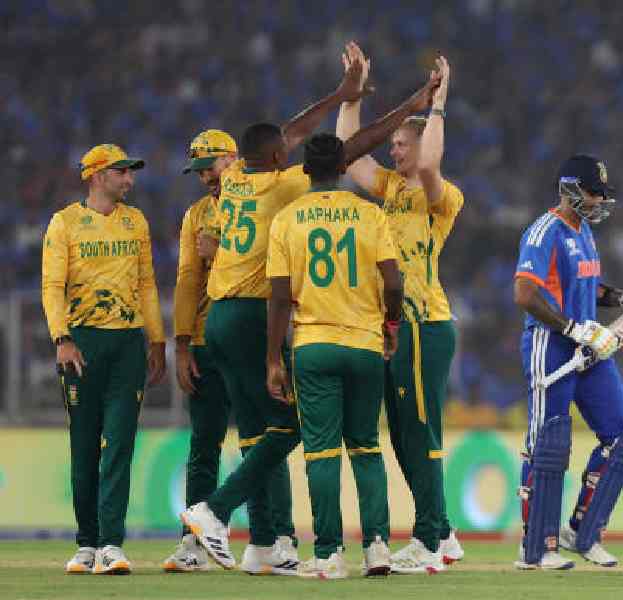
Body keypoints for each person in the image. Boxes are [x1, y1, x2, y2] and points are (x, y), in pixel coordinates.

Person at [181, 55, 441, 573]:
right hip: (260, 315)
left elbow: (293, 130)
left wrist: (342, 93)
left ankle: (266, 544)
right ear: (278, 157)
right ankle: (215, 510)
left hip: (221, 317)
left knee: (256, 428)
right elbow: (353, 146)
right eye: (285, 150)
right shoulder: (286, 186)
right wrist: (408, 106)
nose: (291, 149)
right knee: (297, 426)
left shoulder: (232, 179)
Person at [336, 44, 464, 572]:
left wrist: (439, 102)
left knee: (420, 432)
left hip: (423, 324)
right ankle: (445, 533)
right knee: (407, 434)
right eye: (391, 144)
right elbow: (346, 153)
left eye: (401, 144)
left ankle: (429, 541)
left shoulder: (440, 194)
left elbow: (431, 161)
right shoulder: (389, 190)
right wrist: (352, 94)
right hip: (395, 328)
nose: (394, 152)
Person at [511, 155, 623, 570]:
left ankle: (583, 533)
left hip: (590, 346)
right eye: (595, 193)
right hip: (551, 344)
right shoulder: (545, 231)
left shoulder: (583, 232)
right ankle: (536, 548)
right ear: (571, 189)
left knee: (622, 437)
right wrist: (570, 328)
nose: (600, 201)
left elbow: (588, 287)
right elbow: (525, 294)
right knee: (547, 446)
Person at [266, 132, 402, 580]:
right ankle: (379, 548)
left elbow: (280, 299)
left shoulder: (286, 219)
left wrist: (273, 360)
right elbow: (395, 284)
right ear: (344, 168)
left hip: (314, 345)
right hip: (364, 344)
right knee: (365, 447)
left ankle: (328, 555)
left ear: (305, 170)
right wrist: (391, 326)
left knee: (322, 453)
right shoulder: (370, 214)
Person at [164, 129, 296, 571]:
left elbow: (267, 261)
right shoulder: (197, 215)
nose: (205, 177)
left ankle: (276, 535)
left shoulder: (263, 200)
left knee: (258, 439)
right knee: (206, 444)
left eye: (210, 166)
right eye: (199, 171)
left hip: (244, 332)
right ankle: (195, 544)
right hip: (208, 341)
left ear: (234, 161)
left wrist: (220, 252)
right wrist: (181, 345)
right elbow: (186, 281)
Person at [42, 144, 166, 574]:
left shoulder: (136, 222)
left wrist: (157, 340)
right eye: (121, 172)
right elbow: (52, 287)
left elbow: (147, 285)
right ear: (97, 176)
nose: (129, 179)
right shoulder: (65, 224)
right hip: (82, 346)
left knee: (119, 446)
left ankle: (111, 544)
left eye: (130, 172)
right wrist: (61, 338)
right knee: (84, 447)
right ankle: (86, 544)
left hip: (128, 345)